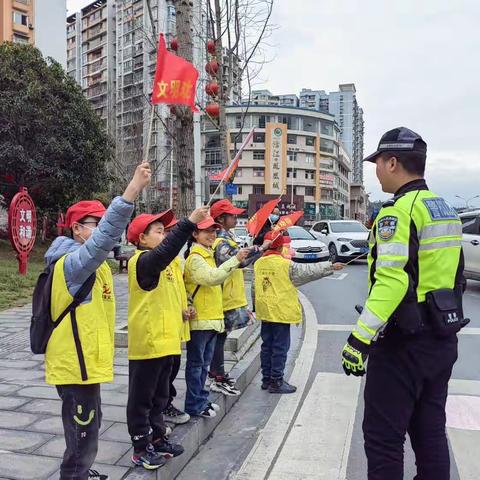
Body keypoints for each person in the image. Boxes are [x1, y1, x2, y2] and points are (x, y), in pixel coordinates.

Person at [341, 127, 467, 480]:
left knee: (383, 439)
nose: (376, 170)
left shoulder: (397, 213)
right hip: (442, 337)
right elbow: (455, 275)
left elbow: (392, 280)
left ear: (393, 162)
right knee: (429, 434)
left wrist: (359, 340)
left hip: (403, 344)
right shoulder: (444, 210)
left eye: (378, 163)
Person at [43, 162, 151, 480]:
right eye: (97, 223)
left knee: (90, 426)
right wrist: (132, 191)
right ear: (77, 229)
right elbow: (104, 239)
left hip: (87, 364)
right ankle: (74, 475)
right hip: (75, 367)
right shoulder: (73, 263)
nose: (105, 228)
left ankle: (82, 471)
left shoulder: (97, 266)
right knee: (82, 435)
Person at [125, 206, 209, 470]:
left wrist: (183, 311)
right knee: (142, 398)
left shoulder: (168, 264)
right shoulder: (141, 262)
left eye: (165, 231)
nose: (165, 236)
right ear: (141, 239)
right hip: (149, 343)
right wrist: (189, 223)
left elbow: (167, 297)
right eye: (159, 232)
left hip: (168, 341)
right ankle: (140, 447)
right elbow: (163, 253)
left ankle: (158, 436)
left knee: (161, 396)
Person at [255, 230, 343, 393]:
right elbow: (309, 271)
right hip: (281, 312)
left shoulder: (258, 263)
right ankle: (277, 381)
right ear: (281, 247)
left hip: (265, 311)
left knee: (267, 346)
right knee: (280, 348)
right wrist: (331, 266)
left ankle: (266, 379)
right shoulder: (286, 265)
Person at [183, 217, 250, 417]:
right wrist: (235, 260)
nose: (212, 235)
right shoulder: (195, 258)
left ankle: (201, 400)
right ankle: (194, 404)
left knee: (203, 366)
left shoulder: (208, 255)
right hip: (201, 321)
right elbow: (212, 278)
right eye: (206, 231)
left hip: (211, 319)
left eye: (214, 231)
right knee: (196, 366)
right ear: (195, 234)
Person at [208, 199, 269, 396]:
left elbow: (240, 258)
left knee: (221, 336)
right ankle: (216, 375)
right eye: (232, 215)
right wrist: (261, 249)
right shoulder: (220, 241)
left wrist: (259, 249)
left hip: (227, 296)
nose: (236, 217)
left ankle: (218, 373)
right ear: (220, 219)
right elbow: (239, 261)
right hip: (222, 297)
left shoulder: (226, 238)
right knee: (218, 337)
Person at [161, 215, 194, 426]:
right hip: (160, 332)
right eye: (167, 231)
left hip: (175, 326)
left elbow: (176, 291)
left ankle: (165, 405)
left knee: (172, 368)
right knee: (160, 377)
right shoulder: (154, 261)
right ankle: (159, 413)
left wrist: (185, 308)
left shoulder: (174, 262)